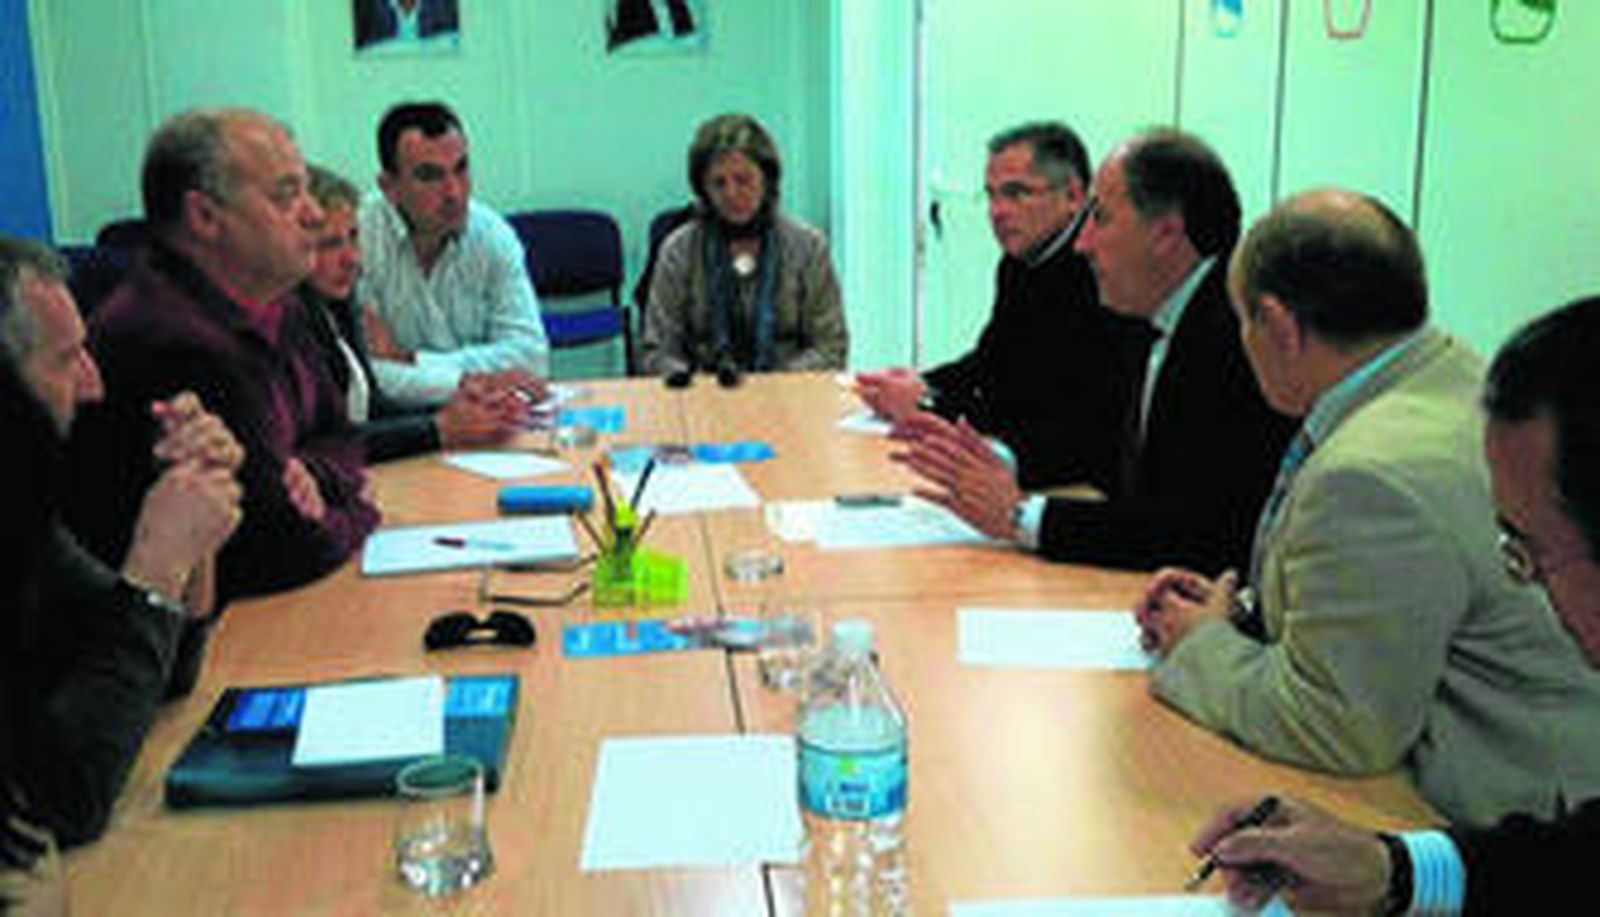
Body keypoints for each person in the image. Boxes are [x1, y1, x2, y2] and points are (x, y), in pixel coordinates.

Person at [1140, 190, 1600, 830]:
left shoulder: (1371, 473)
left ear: (1278, 326)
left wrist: (1200, 646)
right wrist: (1242, 615)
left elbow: (1333, 725)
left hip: (1497, 823)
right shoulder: (1441, 370)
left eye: (1242, 320)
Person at [1191, 295, 1600, 915]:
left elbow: (1336, 722)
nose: (1529, 584)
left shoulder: (1379, 461)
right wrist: (1392, 868)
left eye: (1533, 550)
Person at [894, 129, 1296, 573]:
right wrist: (995, 468)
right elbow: (1093, 444)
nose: (1082, 243)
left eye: (1100, 218)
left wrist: (1021, 516)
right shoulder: (1150, 314)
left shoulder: (1237, 338)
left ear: (1165, 232)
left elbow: (1198, 533)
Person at [65, 108, 378, 602]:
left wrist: (315, 474)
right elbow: (282, 547)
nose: (315, 215)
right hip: (189, 641)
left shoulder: (280, 301)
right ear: (205, 217)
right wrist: (362, 509)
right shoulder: (169, 341)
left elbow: (342, 438)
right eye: (286, 195)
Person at [0, 235, 241, 849]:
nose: (93, 385)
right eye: (64, 359)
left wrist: (191, 514)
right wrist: (157, 566)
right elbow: (60, 803)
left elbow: (161, 667)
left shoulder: (26, 519)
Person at [855, 121, 1136, 488]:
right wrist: (922, 382)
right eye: (991, 196)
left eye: (1016, 193)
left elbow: (1027, 404)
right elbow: (992, 359)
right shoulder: (1019, 261)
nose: (997, 212)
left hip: (1077, 481)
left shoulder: (1098, 271)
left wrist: (927, 403)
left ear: (1073, 196)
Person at [303, 165, 527, 462]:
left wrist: (460, 412)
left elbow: (373, 407)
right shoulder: (292, 321)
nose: (352, 259)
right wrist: (437, 429)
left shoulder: (338, 302)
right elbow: (327, 442)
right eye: (330, 244)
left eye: (353, 238)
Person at [358, 101, 548, 408]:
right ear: (388, 187)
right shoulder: (358, 240)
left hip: (488, 415)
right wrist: (463, 382)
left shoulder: (492, 235)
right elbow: (361, 377)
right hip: (394, 426)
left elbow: (531, 358)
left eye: (461, 169)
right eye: (430, 176)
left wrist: (411, 360)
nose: (454, 193)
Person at [639, 112, 847, 379]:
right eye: (718, 183)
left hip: (788, 393)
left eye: (743, 179)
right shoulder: (679, 251)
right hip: (703, 396)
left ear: (767, 180)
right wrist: (694, 383)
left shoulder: (808, 248)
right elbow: (657, 350)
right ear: (702, 190)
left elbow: (830, 347)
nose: (732, 194)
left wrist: (768, 385)